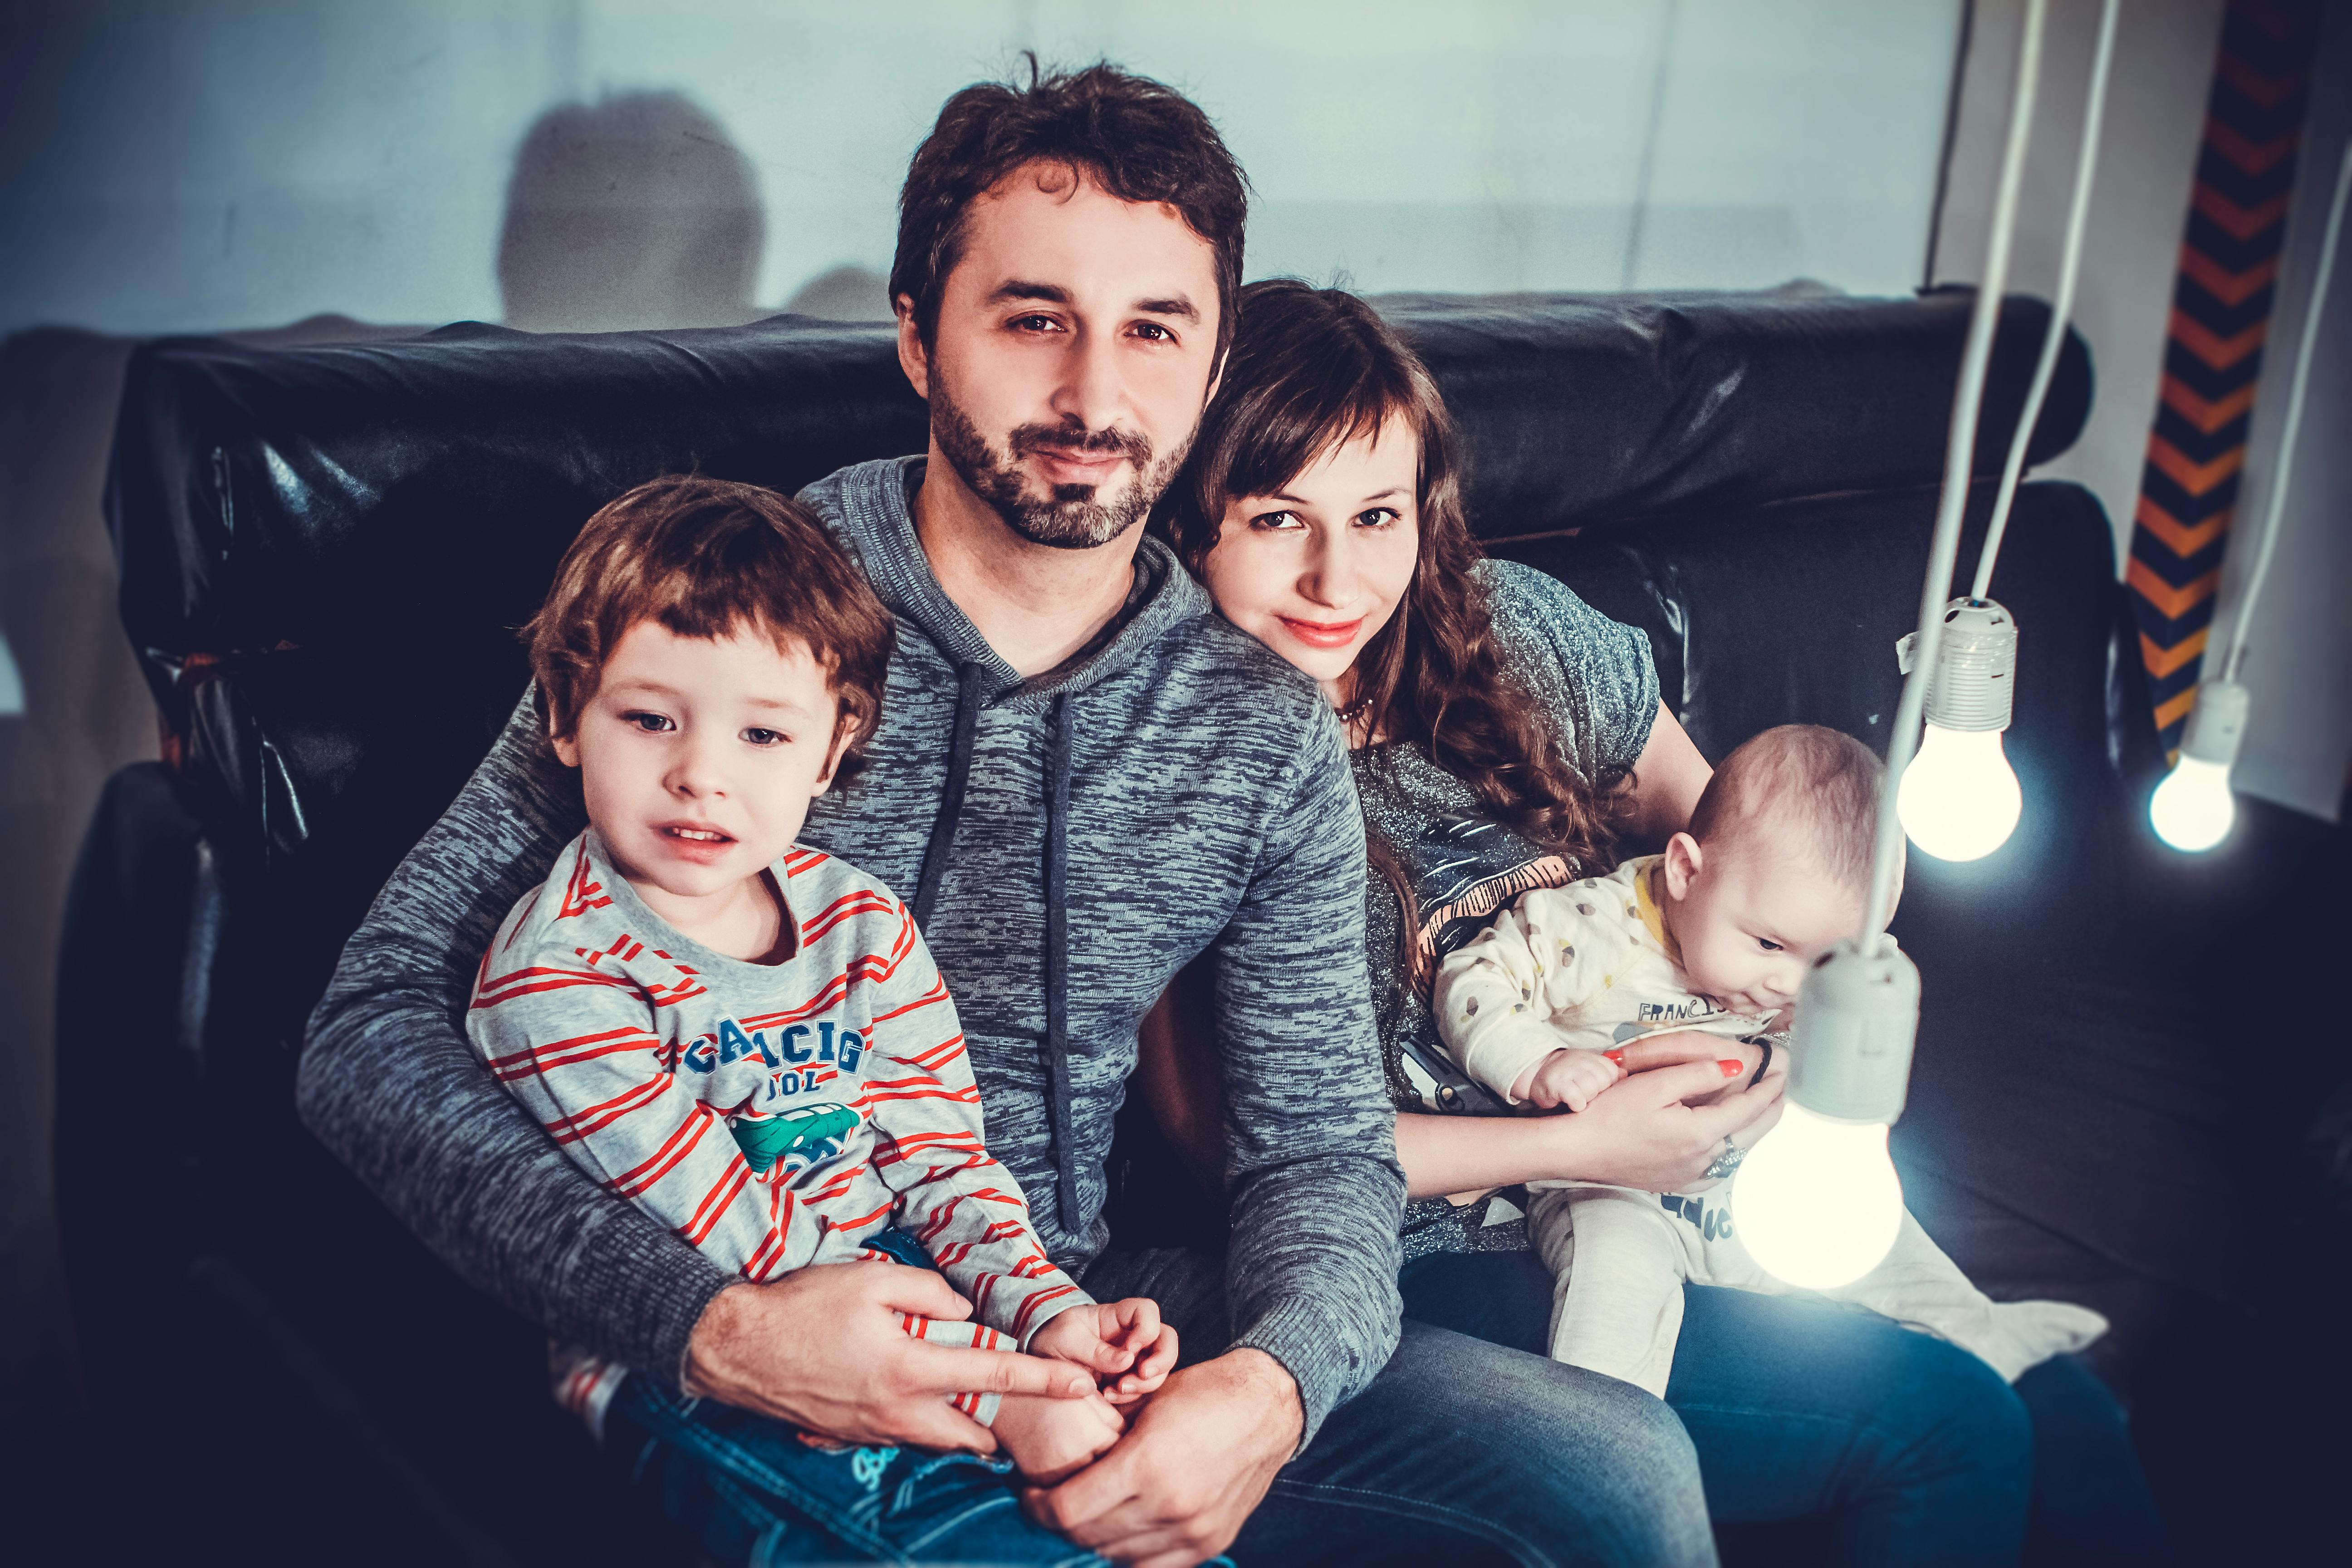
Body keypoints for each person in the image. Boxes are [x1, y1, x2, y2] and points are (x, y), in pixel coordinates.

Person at [302, 64, 1718, 1568]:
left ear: (1212, 363)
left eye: (1153, 330)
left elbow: (1313, 1152)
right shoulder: (730, 613)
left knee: (1621, 1478)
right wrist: (717, 1328)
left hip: (1074, 1302)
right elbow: (368, 1033)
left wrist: (1271, 1387)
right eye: (1034, 319)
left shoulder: (1254, 721)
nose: (1095, 399)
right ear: (920, 335)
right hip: (744, 1313)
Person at [1144, 278, 2174, 1565]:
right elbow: (1237, 1155)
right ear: (1191, 520)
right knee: (1946, 1421)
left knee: (2057, 1401)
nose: (1335, 579)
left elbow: (1751, 860)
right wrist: (1589, 1141)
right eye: (1276, 518)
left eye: (1376, 516)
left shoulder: (1515, 634)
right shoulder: (1176, 763)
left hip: (1691, 1166)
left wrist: (1787, 1045)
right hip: (1420, 1249)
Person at [466, 474, 1176, 1480]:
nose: (702, 775)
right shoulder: (558, 978)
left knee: (1120, 1483)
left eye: (762, 734)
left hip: (894, 1276)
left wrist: (1044, 1310)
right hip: (702, 1352)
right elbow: (722, 1227)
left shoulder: (860, 922)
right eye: (650, 719)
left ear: (831, 751)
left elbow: (940, 1156)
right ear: (566, 717)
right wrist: (998, 1389)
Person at [1434, 723, 2106, 1399]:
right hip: (1611, 1183)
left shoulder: (1794, 963)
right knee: (1616, 1283)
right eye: (1768, 944)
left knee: (1881, 1232)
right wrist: (1540, 1059)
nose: (1790, 984)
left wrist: (1803, 1052)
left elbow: (1817, 1041)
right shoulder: (1594, 928)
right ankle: (1602, 1424)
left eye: (1825, 959)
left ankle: (1980, 1330)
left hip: (1747, 1181)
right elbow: (1473, 978)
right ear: (1686, 871)